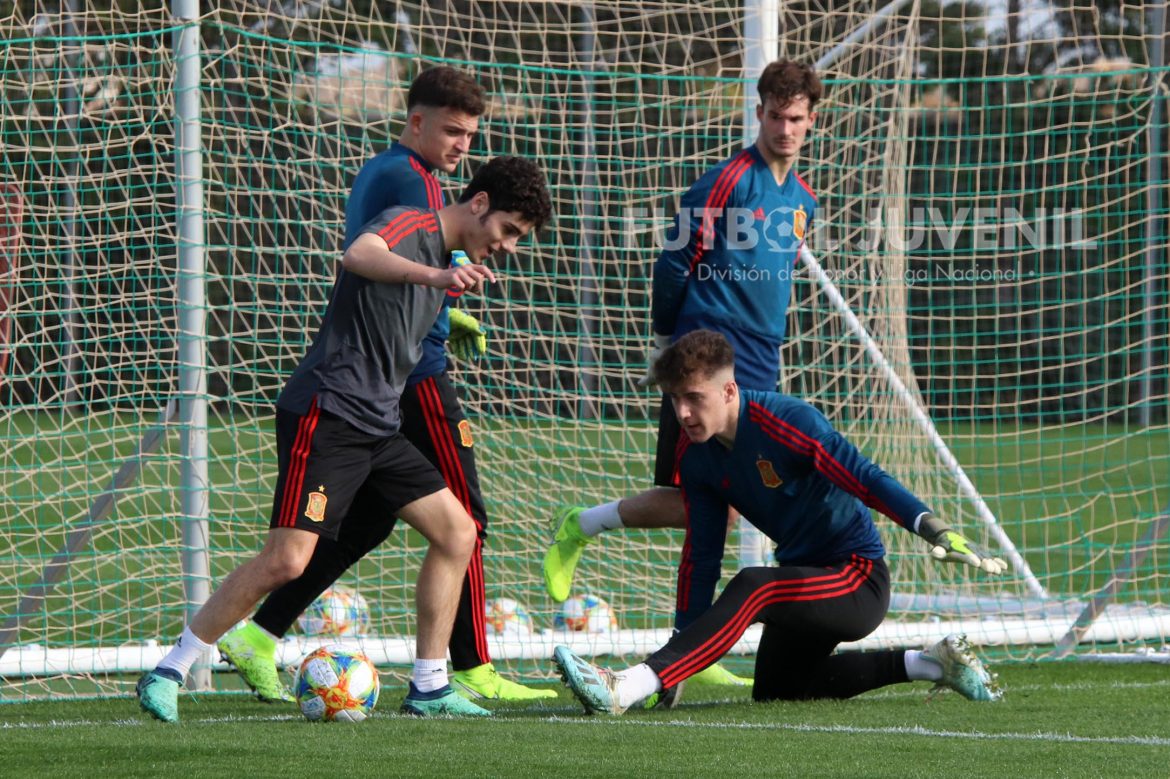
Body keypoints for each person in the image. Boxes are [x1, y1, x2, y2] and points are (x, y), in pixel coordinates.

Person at [136, 155, 553, 722]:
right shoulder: (412, 221)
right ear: (478, 204)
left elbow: (395, 307)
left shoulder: (448, 256)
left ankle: (430, 687)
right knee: (287, 560)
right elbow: (359, 254)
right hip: (329, 412)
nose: (508, 246)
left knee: (458, 532)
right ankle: (171, 668)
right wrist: (435, 279)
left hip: (379, 425)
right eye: (507, 230)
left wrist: (443, 309)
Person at [216, 66, 554, 704]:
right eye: (452, 132)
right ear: (416, 122)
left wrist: (445, 307)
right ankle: (468, 665)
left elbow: (418, 263)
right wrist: (438, 303)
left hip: (398, 369)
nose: (462, 146)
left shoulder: (408, 174)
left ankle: (261, 633)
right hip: (408, 375)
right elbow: (373, 257)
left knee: (369, 521)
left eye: (470, 135)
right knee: (464, 517)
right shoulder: (410, 180)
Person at [543, 59, 822, 687]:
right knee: (700, 502)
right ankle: (581, 527)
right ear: (758, 113)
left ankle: (694, 645)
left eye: (796, 118)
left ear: (812, 120)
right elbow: (673, 263)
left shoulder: (803, 201)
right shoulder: (725, 182)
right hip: (703, 356)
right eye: (775, 116)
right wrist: (670, 346)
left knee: (736, 506)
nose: (785, 129)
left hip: (761, 363)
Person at [553, 330, 1008, 714]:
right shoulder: (695, 455)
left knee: (755, 584)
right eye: (674, 399)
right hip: (799, 579)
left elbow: (865, 476)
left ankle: (626, 687)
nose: (683, 413)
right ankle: (931, 664)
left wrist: (931, 525)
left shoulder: (787, 420)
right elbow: (702, 556)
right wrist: (679, 656)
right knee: (779, 689)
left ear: (728, 391)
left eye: (694, 398)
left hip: (856, 579)